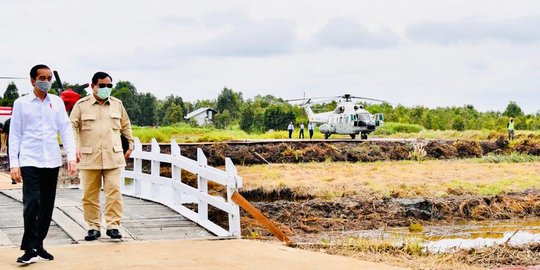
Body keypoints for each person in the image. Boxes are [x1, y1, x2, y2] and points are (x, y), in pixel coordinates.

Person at [10, 64, 77, 264]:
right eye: (42, 77)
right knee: (32, 203)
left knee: (47, 205)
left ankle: (39, 245)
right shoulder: (21, 103)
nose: (46, 81)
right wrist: (14, 163)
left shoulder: (56, 103)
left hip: (52, 160)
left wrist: (71, 156)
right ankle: (29, 248)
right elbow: (14, 134)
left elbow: (65, 129)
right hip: (30, 159)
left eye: (49, 78)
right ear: (32, 81)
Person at [70, 71, 134, 241]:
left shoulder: (117, 104)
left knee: (114, 192)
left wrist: (130, 143)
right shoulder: (81, 105)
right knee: (90, 195)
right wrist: (74, 147)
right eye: (102, 85)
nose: (106, 88)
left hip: (113, 156)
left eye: (109, 85)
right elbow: (72, 126)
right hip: (89, 157)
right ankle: (93, 226)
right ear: (93, 86)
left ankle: (113, 226)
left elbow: (125, 125)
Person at [1, 118, 16, 184]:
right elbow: (4, 134)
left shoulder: (24, 120)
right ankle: (13, 178)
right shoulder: (8, 121)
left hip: (23, 145)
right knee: (12, 160)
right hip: (11, 144)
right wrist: (3, 145)